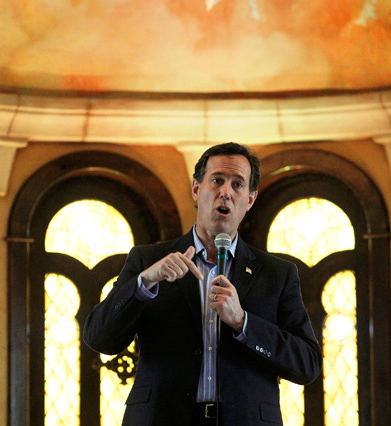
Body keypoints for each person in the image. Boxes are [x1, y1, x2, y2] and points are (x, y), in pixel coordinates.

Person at [83, 142, 322, 426]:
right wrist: (144, 283)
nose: (225, 193)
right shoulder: (147, 261)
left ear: (250, 199)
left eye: (237, 185)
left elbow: (307, 364)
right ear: (197, 190)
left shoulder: (277, 274)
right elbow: (99, 338)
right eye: (217, 180)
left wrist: (243, 323)